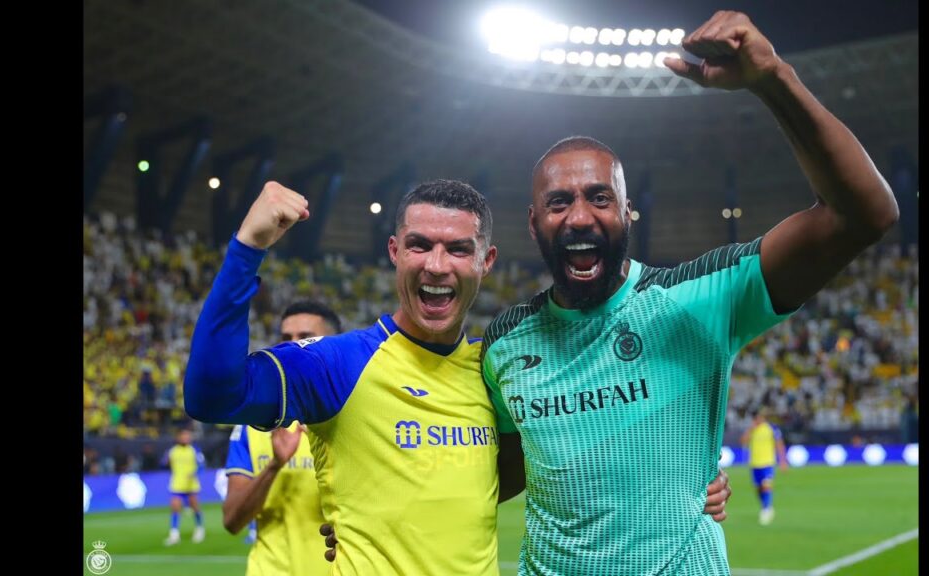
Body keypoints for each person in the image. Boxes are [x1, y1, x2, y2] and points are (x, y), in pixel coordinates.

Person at [481, 10, 899, 574]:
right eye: (559, 203)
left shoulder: (700, 298)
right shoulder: (503, 342)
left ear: (627, 213)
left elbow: (863, 215)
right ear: (534, 225)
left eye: (600, 198)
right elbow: (494, 472)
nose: (579, 216)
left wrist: (773, 79)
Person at [185, 179, 734, 573]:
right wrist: (248, 247)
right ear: (395, 252)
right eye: (420, 245)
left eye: (457, 249)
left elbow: (554, 458)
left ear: (486, 261)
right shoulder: (337, 365)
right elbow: (212, 395)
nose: (437, 265)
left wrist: (686, 487)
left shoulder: (498, 370)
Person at [222, 301, 340, 574]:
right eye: (286, 337)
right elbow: (232, 521)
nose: (292, 346)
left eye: (306, 337)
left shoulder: (354, 419)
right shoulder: (254, 425)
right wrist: (274, 466)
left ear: (334, 346)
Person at [740, 409, 788, 525]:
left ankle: (766, 509)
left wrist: (783, 461)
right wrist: (750, 430)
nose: (757, 420)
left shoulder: (771, 428)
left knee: (766, 485)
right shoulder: (752, 429)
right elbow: (743, 441)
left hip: (768, 463)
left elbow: (779, 444)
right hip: (755, 463)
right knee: (759, 489)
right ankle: (766, 507)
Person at [162, 428, 206, 545]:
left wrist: (194, 473)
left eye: (188, 436)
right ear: (178, 438)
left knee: (195, 507)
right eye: (184, 436)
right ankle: (174, 534)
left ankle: (199, 529)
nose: (186, 438)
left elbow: (202, 465)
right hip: (177, 484)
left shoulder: (195, 450)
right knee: (175, 507)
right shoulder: (172, 451)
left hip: (192, 484)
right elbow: (163, 463)